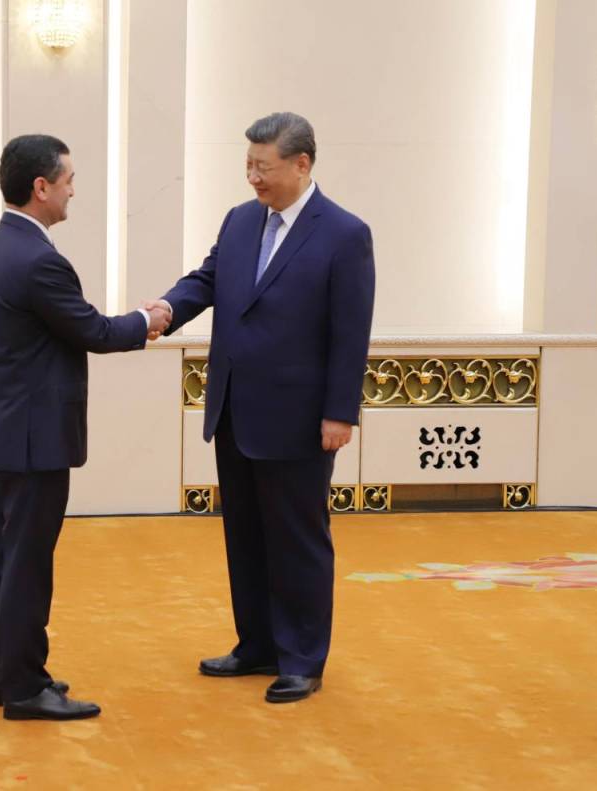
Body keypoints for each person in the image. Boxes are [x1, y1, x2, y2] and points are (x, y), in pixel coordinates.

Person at [147, 112, 375, 703]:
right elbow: (208, 279)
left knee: (298, 539)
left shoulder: (344, 234)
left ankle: (302, 659)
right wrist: (168, 308)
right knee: (244, 534)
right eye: (247, 164)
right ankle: (256, 645)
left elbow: (351, 332)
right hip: (234, 409)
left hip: (300, 418)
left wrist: (340, 412)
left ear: (301, 164)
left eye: (263, 167)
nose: (252, 177)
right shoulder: (241, 220)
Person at [0, 134, 170, 720]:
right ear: (41, 187)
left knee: (5, 560)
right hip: (36, 441)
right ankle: (25, 689)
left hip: (5, 433)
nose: (74, 191)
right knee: (27, 566)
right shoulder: (39, 261)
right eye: (69, 180)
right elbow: (94, 331)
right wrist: (148, 319)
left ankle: (7, 675)